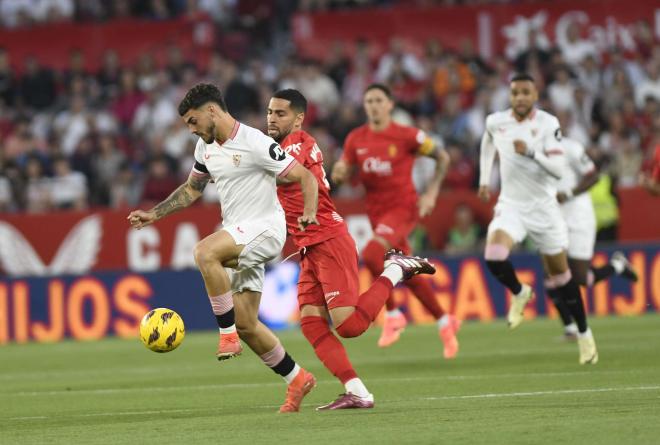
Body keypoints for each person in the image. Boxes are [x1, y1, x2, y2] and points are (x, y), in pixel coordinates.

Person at [127, 83, 319, 413]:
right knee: (248, 323)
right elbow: (191, 190)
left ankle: (225, 334)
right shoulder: (205, 148)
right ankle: (297, 378)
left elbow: (306, 177)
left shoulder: (255, 142)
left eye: (192, 121)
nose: (191, 129)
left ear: (212, 111)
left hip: (267, 229)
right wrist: (154, 213)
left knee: (204, 252)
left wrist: (310, 212)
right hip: (241, 234)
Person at [268, 89, 436, 410]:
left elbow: (287, 177)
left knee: (349, 326)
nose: (271, 119)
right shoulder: (278, 148)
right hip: (309, 248)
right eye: (269, 113)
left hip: (328, 240)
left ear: (299, 118)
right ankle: (357, 390)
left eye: (280, 113)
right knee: (311, 323)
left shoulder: (296, 144)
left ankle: (396, 268)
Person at [331, 83, 461, 358]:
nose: (374, 105)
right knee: (405, 269)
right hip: (376, 212)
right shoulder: (356, 138)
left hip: (403, 209)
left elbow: (443, 157)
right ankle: (443, 320)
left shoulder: (408, 136)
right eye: (369, 101)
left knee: (371, 253)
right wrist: (339, 171)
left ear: (390, 104)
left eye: (379, 100)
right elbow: (343, 169)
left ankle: (392, 315)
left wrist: (431, 194)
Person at [478, 73, 598, 364]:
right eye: (515, 92)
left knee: (563, 278)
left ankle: (584, 335)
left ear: (535, 96)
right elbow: (487, 143)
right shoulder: (496, 121)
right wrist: (484, 180)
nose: (520, 97)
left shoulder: (547, 123)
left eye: (525, 92)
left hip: (544, 208)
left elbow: (557, 170)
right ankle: (520, 292)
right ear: (510, 96)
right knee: (493, 256)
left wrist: (531, 152)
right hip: (512, 205)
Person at [552, 136, 638, 339]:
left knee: (582, 278)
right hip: (556, 219)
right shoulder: (533, 152)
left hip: (579, 217)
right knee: (552, 272)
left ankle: (617, 265)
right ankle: (572, 327)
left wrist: (568, 194)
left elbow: (594, 177)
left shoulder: (570, 147)